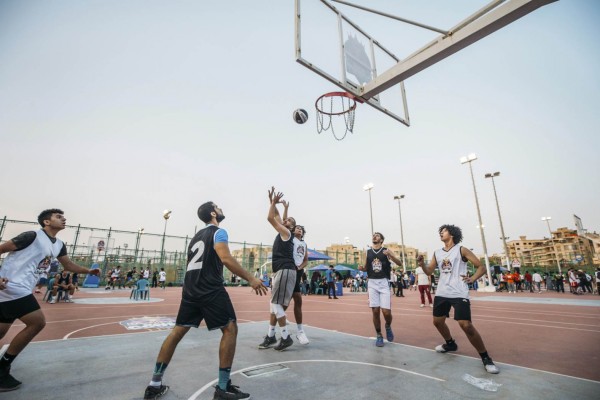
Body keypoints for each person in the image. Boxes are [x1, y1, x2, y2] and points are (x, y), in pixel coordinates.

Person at [143, 202, 267, 400]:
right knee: (230, 329)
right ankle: (223, 387)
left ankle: (154, 384)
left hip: (190, 289)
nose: (221, 209)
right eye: (218, 207)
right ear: (213, 213)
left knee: (177, 331)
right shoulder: (219, 232)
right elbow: (225, 258)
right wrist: (251, 278)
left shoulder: (195, 238)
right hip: (210, 288)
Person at [0, 209, 100, 391]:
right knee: (37, 322)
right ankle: (2, 369)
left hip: (19, 289)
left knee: (1, 330)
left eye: (63, 216)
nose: (64, 219)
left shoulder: (59, 244)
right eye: (58, 217)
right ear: (46, 222)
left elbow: (68, 265)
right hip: (11, 286)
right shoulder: (31, 236)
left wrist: (89, 271)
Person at [417, 224, 499, 374]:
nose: (441, 233)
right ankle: (450, 344)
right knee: (437, 322)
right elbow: (429, 271)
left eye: (444, 231)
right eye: (440, 232)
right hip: (442, 292)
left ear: (452, 234)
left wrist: (472, 278)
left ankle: (485, 357)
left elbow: (481, 267)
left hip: (459, 292)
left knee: (466, 325)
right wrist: (422, 264)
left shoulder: (462, 250)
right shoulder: (437, 253)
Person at [258, 187, 298, 351]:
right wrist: (272, 202)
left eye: (289, 220)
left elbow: (270, 218)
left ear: (291, 226)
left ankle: (286, 336)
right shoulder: (284, 230)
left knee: (275, 304)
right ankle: (271, 335)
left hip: (285, 270)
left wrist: (274, 203)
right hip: (281, 271)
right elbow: (275, 215)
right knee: (273, 305)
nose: (285, 219)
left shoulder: (286, 232)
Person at [359, 232, 403, 347]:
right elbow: (365, 268)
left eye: (377, 235)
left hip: (383, 282)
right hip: (372, 282)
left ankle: (388, 326)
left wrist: (391, 255)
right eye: (373, 235)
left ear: (382, 240)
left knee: (386, 312)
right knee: (375, 311)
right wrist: (362, 268)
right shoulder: (367, 252)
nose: (375, 236)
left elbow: (400, 264)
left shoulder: (386, 250)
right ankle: (379, 335)